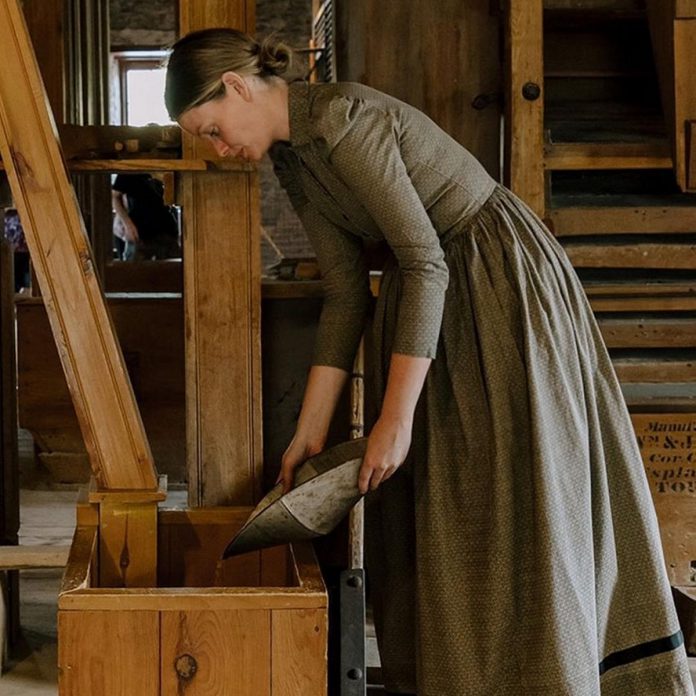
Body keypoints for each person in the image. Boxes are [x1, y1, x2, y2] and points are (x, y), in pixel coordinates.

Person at [164, 29, 694, 696]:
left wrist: (394, 419)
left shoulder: (344, 122)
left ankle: (550, 672)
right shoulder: (293, 160)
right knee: (447, 501)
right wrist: (311, 430)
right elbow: (347, 290)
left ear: (237, 87)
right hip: (430, 305)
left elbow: (424, 260)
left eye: (211, 128)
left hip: (495, 280)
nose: (217, 148)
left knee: (513, 487)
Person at [111, 173, 181, 261]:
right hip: (139, 231)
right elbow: (115, 196)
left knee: (174, 269)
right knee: (133, 271)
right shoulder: (130, 172)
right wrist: (127, 224)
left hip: (166, 229)